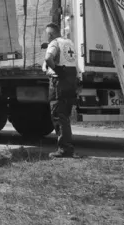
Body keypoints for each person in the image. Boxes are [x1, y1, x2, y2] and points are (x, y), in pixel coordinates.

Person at [43, 22, 78, 158]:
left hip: (59, 82)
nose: (46, 37)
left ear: (51, 34)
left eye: (47, 34)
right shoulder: (69, 43)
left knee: (58, 115)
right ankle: (67, 147)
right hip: (70, 81)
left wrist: (56, 69)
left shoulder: (54, 43)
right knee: (65, 116)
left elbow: (48, 58)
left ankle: (64, 149)